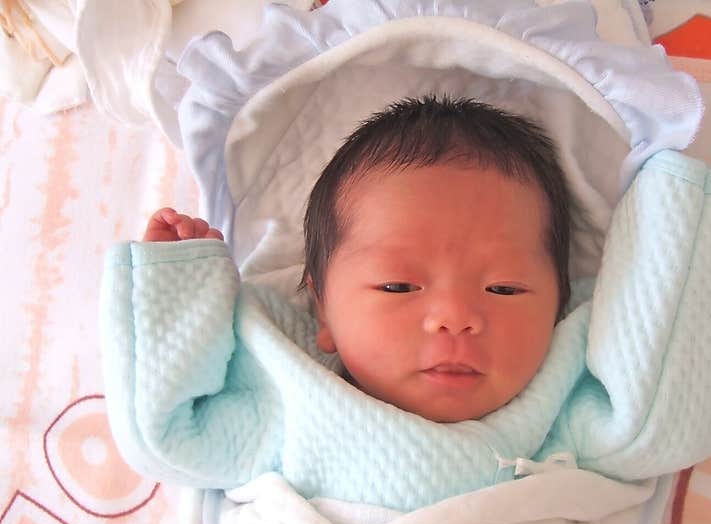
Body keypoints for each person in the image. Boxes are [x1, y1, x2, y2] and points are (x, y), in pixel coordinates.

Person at [140, 96, 571, 423]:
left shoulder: (569, 406)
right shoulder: (289, 401)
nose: (454, 317)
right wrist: (178, 292)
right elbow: (176, 423)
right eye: (398, 286)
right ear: (324, 309)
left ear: (558, 305)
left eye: (504, 288)